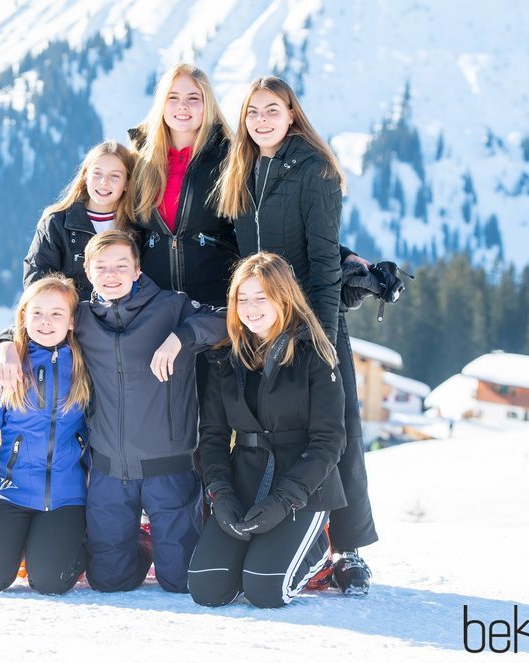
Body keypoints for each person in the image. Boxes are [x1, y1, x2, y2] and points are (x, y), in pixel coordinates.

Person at [0, 230, 227, 594]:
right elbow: (38, 319)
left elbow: (228, 318)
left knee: (182, 582)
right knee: (108, 581)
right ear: (87, 271)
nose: (111, 274)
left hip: (168, 467)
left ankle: (164, 546)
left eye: (121, 266)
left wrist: (181, 336)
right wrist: (6, 343)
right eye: (101, 266)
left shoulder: (171, 308)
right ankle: (143, 546)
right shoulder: (81, 318)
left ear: (137, 271)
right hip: (109, 471)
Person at [213, 75, 377, 595]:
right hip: (257, 321)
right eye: (253, 112)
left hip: (308, 323)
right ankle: (265, 521)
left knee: (334, 426)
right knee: (261, 426)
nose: (262, 121)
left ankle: (347, 549)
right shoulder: (241, 167)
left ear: (291, 114)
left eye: (272, 111)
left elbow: (324, 258)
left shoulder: (315, 169)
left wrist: (323, 342)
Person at [188, 252, 346, 608]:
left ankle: (318, 552)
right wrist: (220, 493)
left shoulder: (315, 354)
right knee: (206, 588)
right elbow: (212, 437)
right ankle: (263, 551)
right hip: (245, 477)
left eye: (261, 297)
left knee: (264, 589)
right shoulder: (224, 358)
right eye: (242, 299)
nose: (250, 307)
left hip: (303, 486)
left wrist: (285, 500)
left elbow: (330, 440)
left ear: (284, 298)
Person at [0, 274, 91, 595]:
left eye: (57, 313)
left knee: (50, 582)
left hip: (67, 497)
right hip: (12, 493)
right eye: (37, 313)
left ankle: (65, 544)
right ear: (23, 318)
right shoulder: (2, 369)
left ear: (72, 321)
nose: (46, 322)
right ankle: (24, 548)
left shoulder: (86, 363)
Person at [130, 63, 238, 307]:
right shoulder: (139, 159)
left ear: (207, 105)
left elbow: (263, 219)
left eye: (193, 98)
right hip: (153, 303)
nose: (182, 106)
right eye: (173, 97)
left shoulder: (230, 158)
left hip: (216, 300)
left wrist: (340, 255)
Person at [23, 141, 138, 300]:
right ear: (85, 177)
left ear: (126, 183)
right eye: (97, 173)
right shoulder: (57, 222)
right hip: (74, 321)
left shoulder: (137, 226)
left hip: (125, 321)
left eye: (115, 176)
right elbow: (38, 281)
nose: (104, 182)